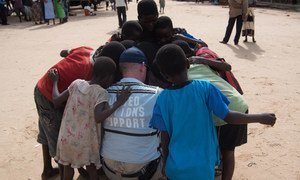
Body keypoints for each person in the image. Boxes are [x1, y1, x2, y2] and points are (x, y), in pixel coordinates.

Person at [150, 44, 276, 179]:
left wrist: (165, 161)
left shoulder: (162, 99)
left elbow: (164, 136)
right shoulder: (205, 88)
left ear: (164, 75)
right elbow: (228, 116)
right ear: (187, 64)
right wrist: (259, 117)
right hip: (203, 164)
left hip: (175, 166)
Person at [34, 42, 126, 179]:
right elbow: (98, 116)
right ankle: (56, 169)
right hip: (84, 141)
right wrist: (118, 103)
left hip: (66, 135)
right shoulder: (99, 91)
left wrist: (55, 81)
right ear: (108, 77)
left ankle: (49, 169)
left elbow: (64, 52)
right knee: (90, 167)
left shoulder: (78, 79)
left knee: (61, 154)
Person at [173, 39, 248, 180]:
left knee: (213, 148)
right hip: (239, 104)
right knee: (228, 151)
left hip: (222, 109)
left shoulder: (180, 76)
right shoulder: (202, 63)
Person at [101, 47, 162, 179]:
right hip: (143, 169)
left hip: (109, 168)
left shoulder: (106, 92)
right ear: (142, 67)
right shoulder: (157, 93)